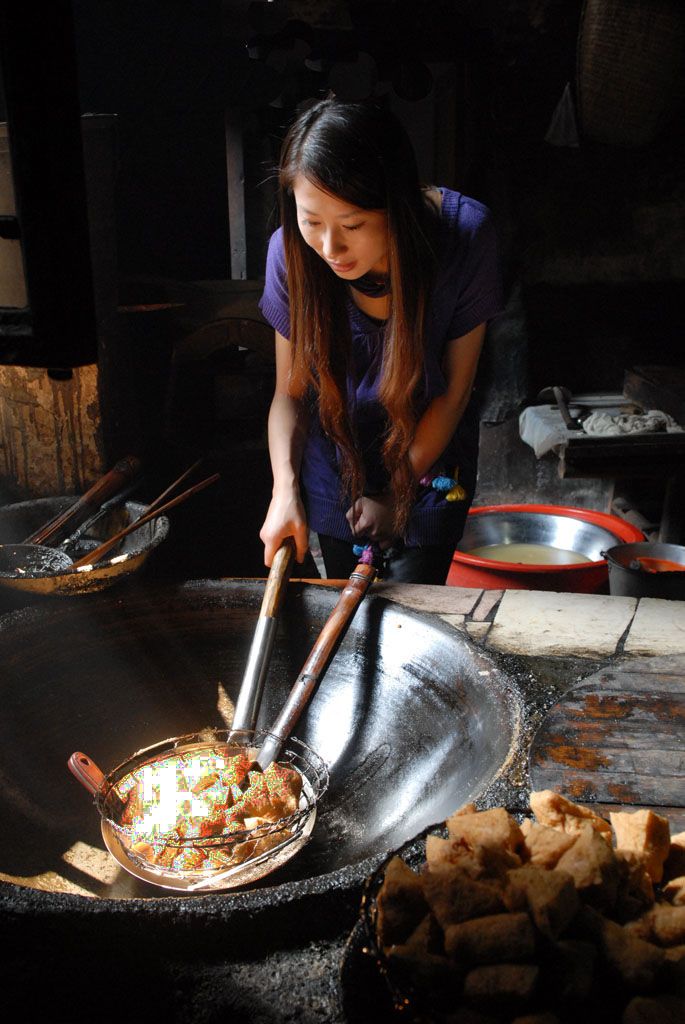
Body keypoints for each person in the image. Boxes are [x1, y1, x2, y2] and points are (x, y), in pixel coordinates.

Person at [258, 97, 503, 583]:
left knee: (416, 622)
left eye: (352, 225)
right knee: (347, 629)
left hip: (429, 458)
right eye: (312, 221)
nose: (330, 248)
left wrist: (396, 493)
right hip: (335, 462)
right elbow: (289, 393)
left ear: (397, 204)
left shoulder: (465, 238)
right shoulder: (290, 255)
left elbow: (454, 393)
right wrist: (283, 489)